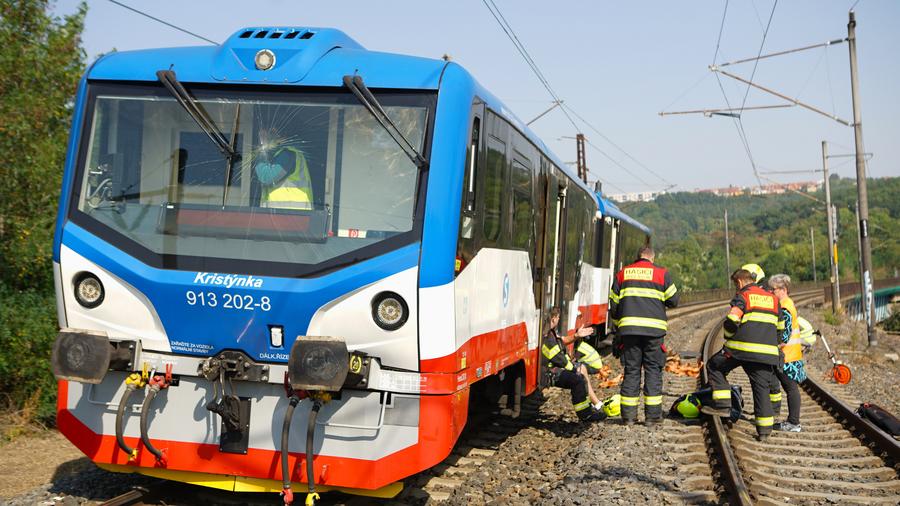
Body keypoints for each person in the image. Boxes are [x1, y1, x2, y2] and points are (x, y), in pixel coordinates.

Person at [702, 269, 782, 442]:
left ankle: (723, 405)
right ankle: (764, 430)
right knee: (760, 387)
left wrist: (729, 338)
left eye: (735, 285)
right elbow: (781, 328)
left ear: (739, 282)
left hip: (739, 350)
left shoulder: (743, 296)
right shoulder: (774, 299)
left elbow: (732, 320)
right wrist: (771, 344)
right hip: (766, 353)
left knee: (714, 366)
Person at [609, 246, 678, 425]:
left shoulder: (623, 273)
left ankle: (629, 417)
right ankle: (652, 417)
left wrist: (618, 328)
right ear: (652, 258)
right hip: (654, 333)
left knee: (631, 371)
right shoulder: (661, 274)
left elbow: (614, 307)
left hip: (629, 331)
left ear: (637, 257)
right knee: (653, 371)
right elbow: (674, 300)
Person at [541, 307, 606, 422]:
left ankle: (595, 404)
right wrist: (573, 369)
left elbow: (561, 343)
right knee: (578, 380)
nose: (559, 320)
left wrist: (576, 336)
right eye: (558, 317)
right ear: (554, 318)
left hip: (553, 368)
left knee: (581, 368)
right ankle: (586, 414)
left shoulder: (549, 332)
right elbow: (558, 358)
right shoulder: (547, 335)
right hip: (549, 372)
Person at [768, 274, 806, 432]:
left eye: (773, 289)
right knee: (791, 388)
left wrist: (771, 346)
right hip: (791, 354)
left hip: (787, 356)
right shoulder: (787, 303)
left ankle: (793, 423)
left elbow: (784, 335)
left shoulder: (784, 307)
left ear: (783, 290)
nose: (770, 292)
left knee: (790, 388)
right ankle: (793, 422)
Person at [255, 145, 314, 210]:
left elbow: (266, 177)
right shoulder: (281, 154)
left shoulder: (288, 154)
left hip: (290, 214)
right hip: (287, 214)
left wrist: (261, 157)